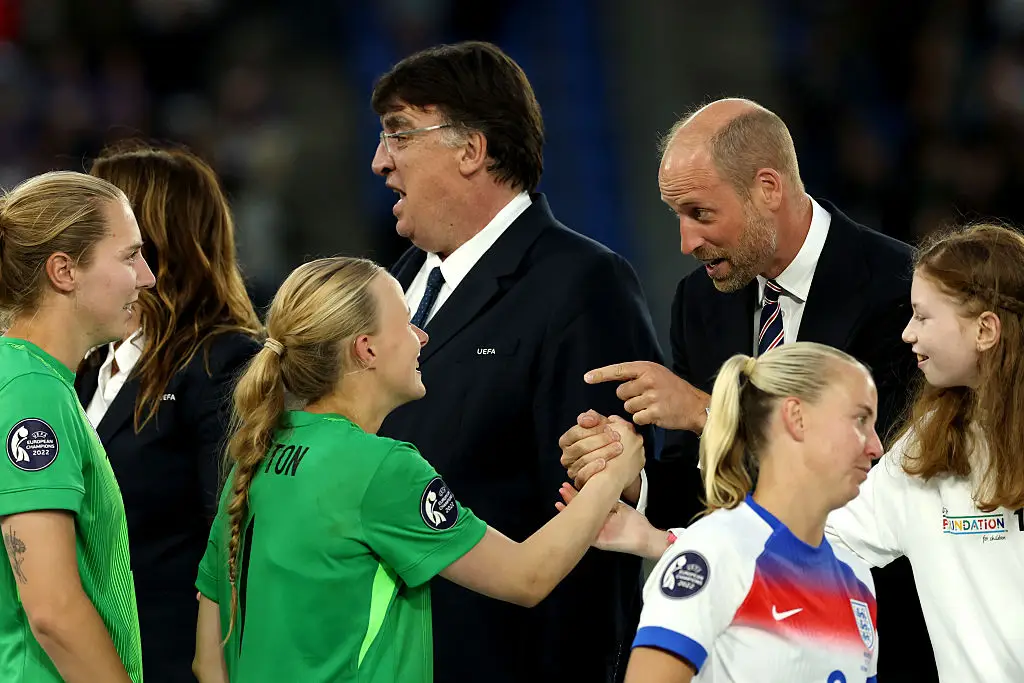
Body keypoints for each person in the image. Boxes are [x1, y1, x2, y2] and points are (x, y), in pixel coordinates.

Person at [558, 97, 932, 681]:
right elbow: (701, 486)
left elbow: (876, 474)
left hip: (868, 631)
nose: (685, 240)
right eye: (675, 215)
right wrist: (634, 479)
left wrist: (710, 411)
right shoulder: (700, 303)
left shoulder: (901, 291)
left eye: (700, 214)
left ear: (767, 188)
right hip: (742, 640)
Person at [191, 257, 646, 683]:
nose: (422, 336)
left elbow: (207, 662)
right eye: (407, 322)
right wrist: (614, 469)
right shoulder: (381, 468)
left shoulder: (255, 456)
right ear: (365, 350)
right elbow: (527, 576)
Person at [369, 41, 663, 683]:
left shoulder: (582, 284)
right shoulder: (398, 283)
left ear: (470, 149)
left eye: (397, 135)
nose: (379, 162)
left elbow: (592, 511)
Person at [561, 342, 883, 682]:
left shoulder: (858, 577)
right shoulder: (710, 555)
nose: (876, 446)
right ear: (797, 418)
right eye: (860, 419)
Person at [74, 141, 262, 683]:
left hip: (169, 660)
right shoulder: (88, 364)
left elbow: (232, 542)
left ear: (149, 242)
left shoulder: (226, 364)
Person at [823, 223, 1024, 682]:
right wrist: (669, 544)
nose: (907, 334)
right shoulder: (930, 441)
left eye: (923, 316)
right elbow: (822, 537)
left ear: (985, 329)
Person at [0, 171, 155, 682]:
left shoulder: (30, 381)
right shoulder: (30, 392)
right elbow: (53, 609)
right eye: (129, 255)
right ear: (64, 271)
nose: (147, 277)